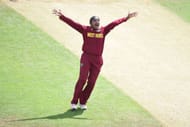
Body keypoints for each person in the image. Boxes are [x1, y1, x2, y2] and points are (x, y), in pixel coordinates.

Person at [53, 9, 137, 110]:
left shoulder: (103, 30)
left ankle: (83, 101)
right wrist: (62, 17)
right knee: (82, 79)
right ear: (91, 23)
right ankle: (74, 102)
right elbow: (73, 24)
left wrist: (126, 18)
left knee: (92, 82)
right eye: (95, 21)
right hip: (86, 58)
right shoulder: (85, 30)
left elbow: (114, 24)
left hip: (97, 60)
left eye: (98, 21)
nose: (97, 22)